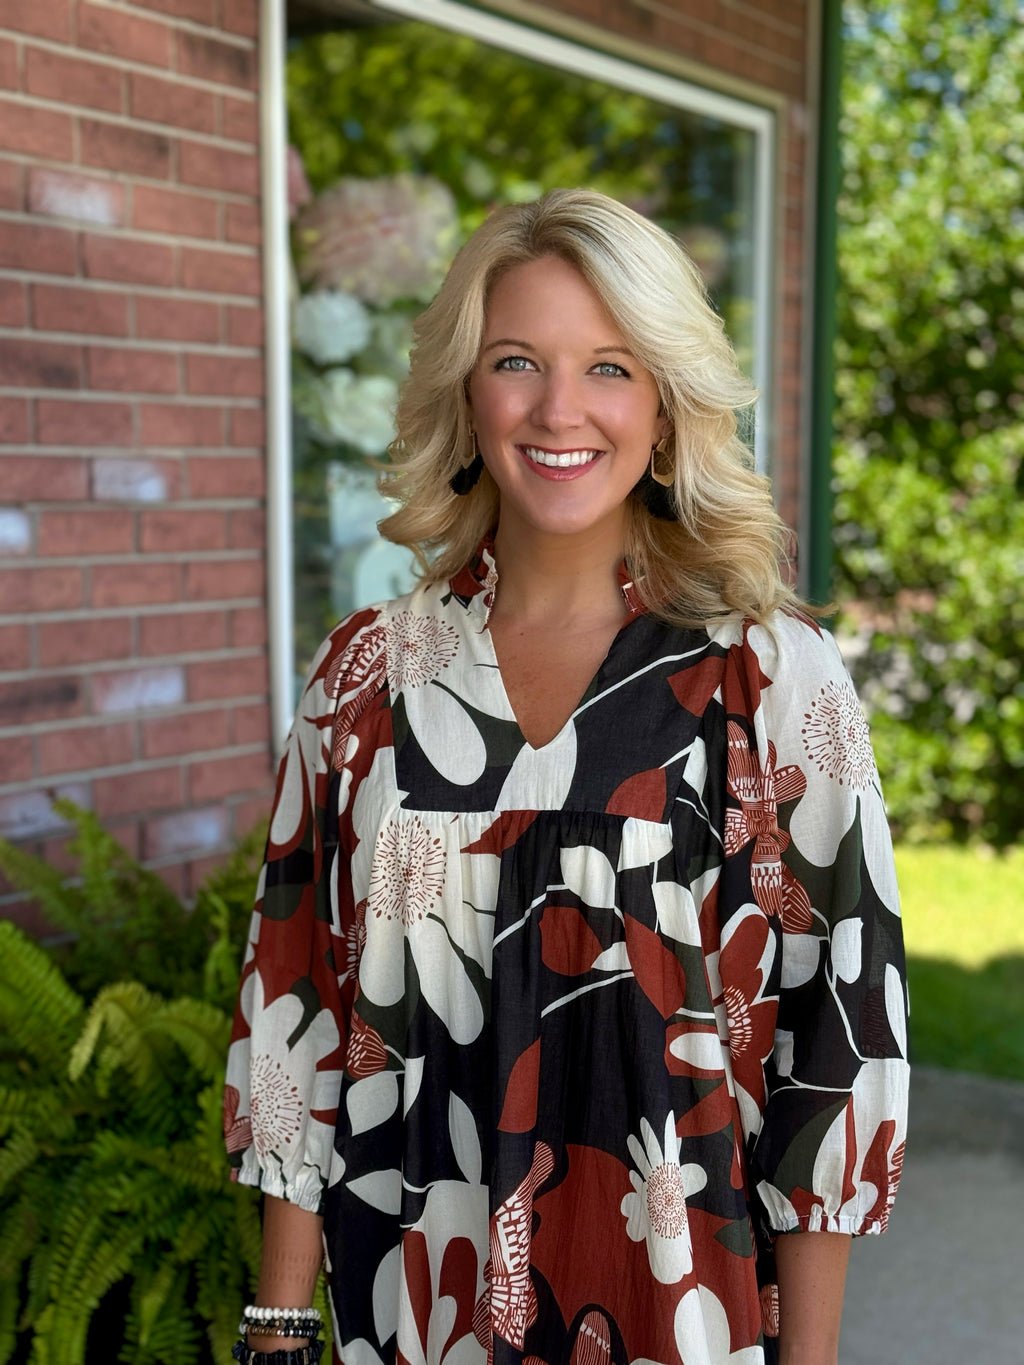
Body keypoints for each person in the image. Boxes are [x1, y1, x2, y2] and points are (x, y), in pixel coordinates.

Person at [224, 188, 909, 1365]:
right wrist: (281, 1326)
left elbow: (836, 1041)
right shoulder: (367, 678)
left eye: (608, 367)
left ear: (663, 403)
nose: (558, 410)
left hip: (681, 1316)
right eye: (516, 361)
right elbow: (299, 1009)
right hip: (408, 1312)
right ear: (466, 391)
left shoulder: (768, 679)